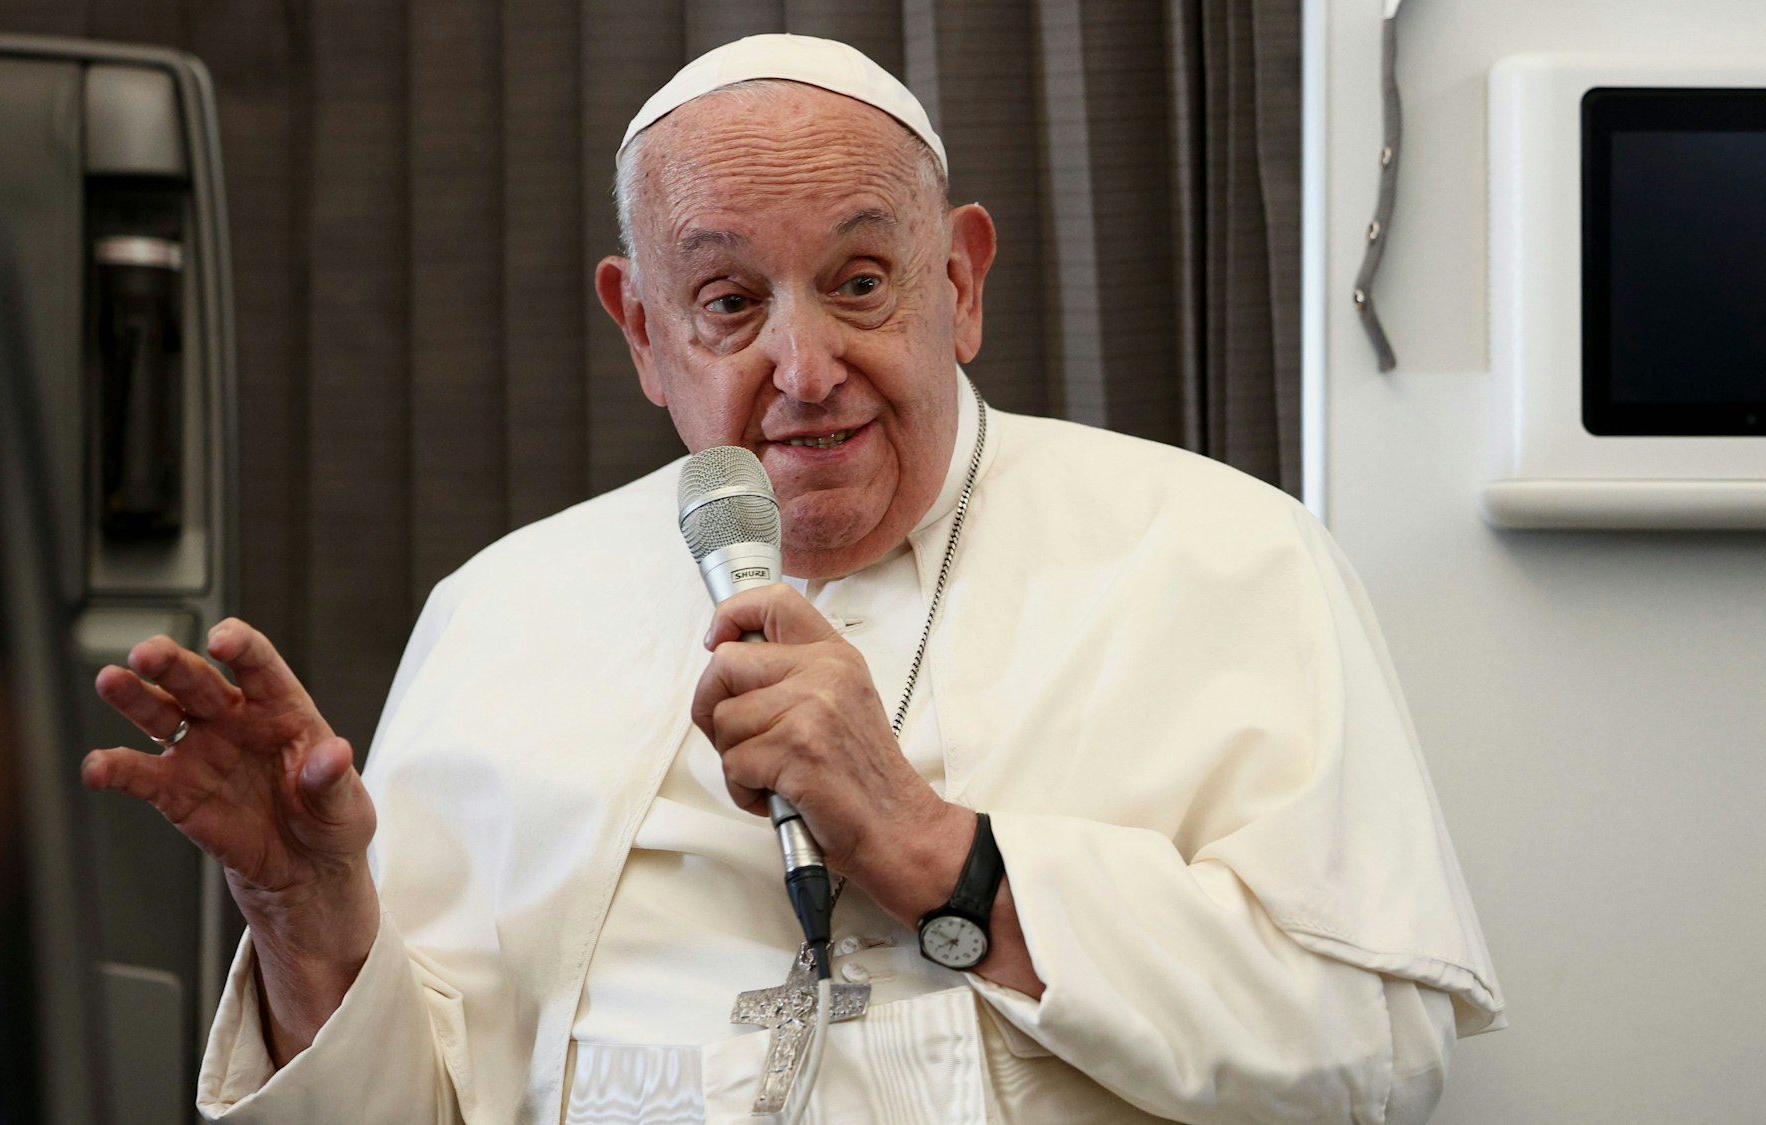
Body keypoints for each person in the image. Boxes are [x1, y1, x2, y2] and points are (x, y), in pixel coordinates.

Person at [82, 34, 1502, 1124]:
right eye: (729, 303)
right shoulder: (502, 609)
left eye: (865, 281)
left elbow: (1377, 1047)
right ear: (642, 331)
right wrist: (308, 919)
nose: (806, 370)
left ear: (963, 278)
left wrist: (943, 853)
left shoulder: (1228, 553)